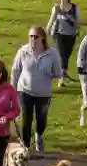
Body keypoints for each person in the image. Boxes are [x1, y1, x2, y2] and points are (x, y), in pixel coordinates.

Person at [10, 25, 63, 153]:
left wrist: (48, 73)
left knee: (41, 118)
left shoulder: (52, 54)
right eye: (31, 36)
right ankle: (25, 147)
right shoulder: (23, 51)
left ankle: (39, 136)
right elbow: (15, 71)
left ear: (42, 39)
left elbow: (58, 73)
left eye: (35, 37)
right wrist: (12, 91)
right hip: (25, 90)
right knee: (26, 120)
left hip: (43, 93)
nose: (33, 39)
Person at [47, 0, 80, 82]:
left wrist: (67, 16)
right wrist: (47, 30)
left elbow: (77, 23)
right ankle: (61, 78)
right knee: (62, 55)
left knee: (67, 55)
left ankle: (63, 73)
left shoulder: (74, 8)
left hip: (71, 34)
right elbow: (51, 20)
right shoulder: (56, 8)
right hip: (59, 34)